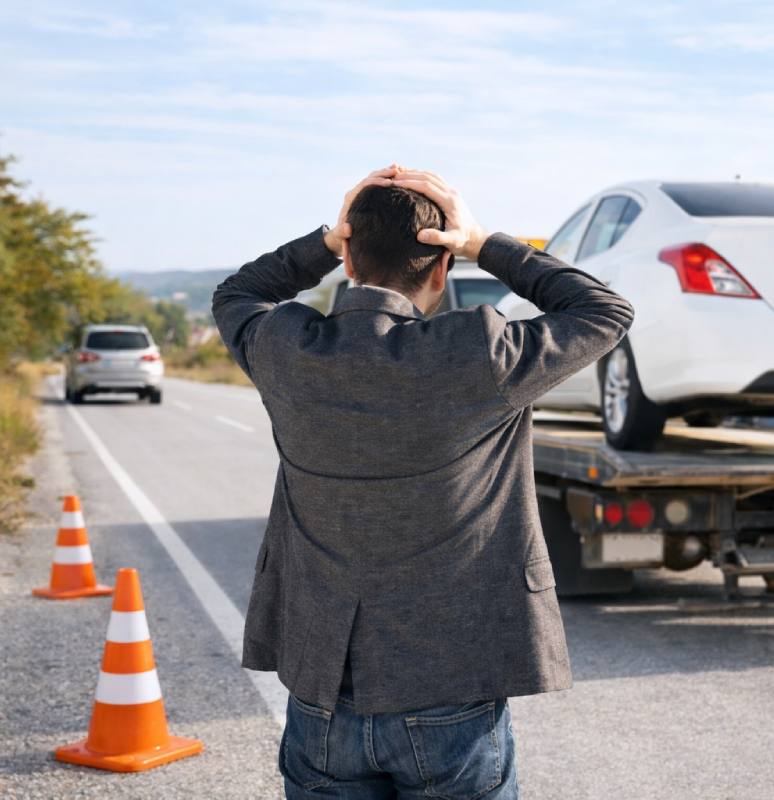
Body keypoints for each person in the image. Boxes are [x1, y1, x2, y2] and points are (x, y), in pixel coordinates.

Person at [213, 165, 634, 798]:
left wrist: (328, 239)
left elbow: (237, 294)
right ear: (441, 268)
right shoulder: (478, 352)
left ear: (348, 259)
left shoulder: (286, 347)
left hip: (322, 689)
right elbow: (605, 310)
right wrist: (484, 243)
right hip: (450, 687)